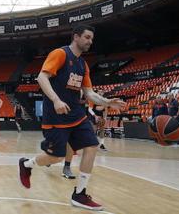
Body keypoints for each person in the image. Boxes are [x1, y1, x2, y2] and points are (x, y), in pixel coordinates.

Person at [18, 25, 126, 211]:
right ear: (76, 37)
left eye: (91, 38)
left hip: (76, 114)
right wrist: (56, 100)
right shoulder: (60, 54)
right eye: (86, 37)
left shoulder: (83, 65)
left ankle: (80, 194)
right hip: (56, 116)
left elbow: (89, 93)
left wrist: (107, 102)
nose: (90, 41)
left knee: (92, 146)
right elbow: (41, 78)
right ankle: (27, 164)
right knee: (56, 158)